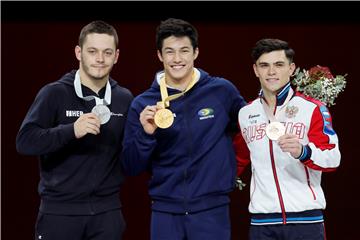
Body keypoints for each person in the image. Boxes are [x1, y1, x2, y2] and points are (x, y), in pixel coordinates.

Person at [121, 18, 246, 240]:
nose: (177, 59)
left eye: (184, 51)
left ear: (196, 53)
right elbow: (130, 166)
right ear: (159, 55)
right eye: (169, 52)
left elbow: (250, 127)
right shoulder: (143, 104)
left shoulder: (221, 91)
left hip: (212, 210)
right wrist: (145, 134)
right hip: (165, 212)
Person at [16, 20, 133, 240]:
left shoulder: (124, 98)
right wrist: (71, 131)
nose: (100, 59)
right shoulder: (54, 93)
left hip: (107, 214)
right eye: (92, 51)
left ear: (116, 56)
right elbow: (25, 141)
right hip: (60, 213)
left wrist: (148, 134)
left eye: (107, 52)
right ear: (79, 52)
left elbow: (131, 154)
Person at [233, 38, 341, 240]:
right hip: (262, 222)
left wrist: (304, 151)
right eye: (264, 65)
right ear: (255, 70)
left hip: (305, 220)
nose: (271, 72)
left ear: (291, 68)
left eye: (279, 65)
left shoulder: (312, 109)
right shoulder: (246, 113)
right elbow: (237, 160)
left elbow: (333, 158)